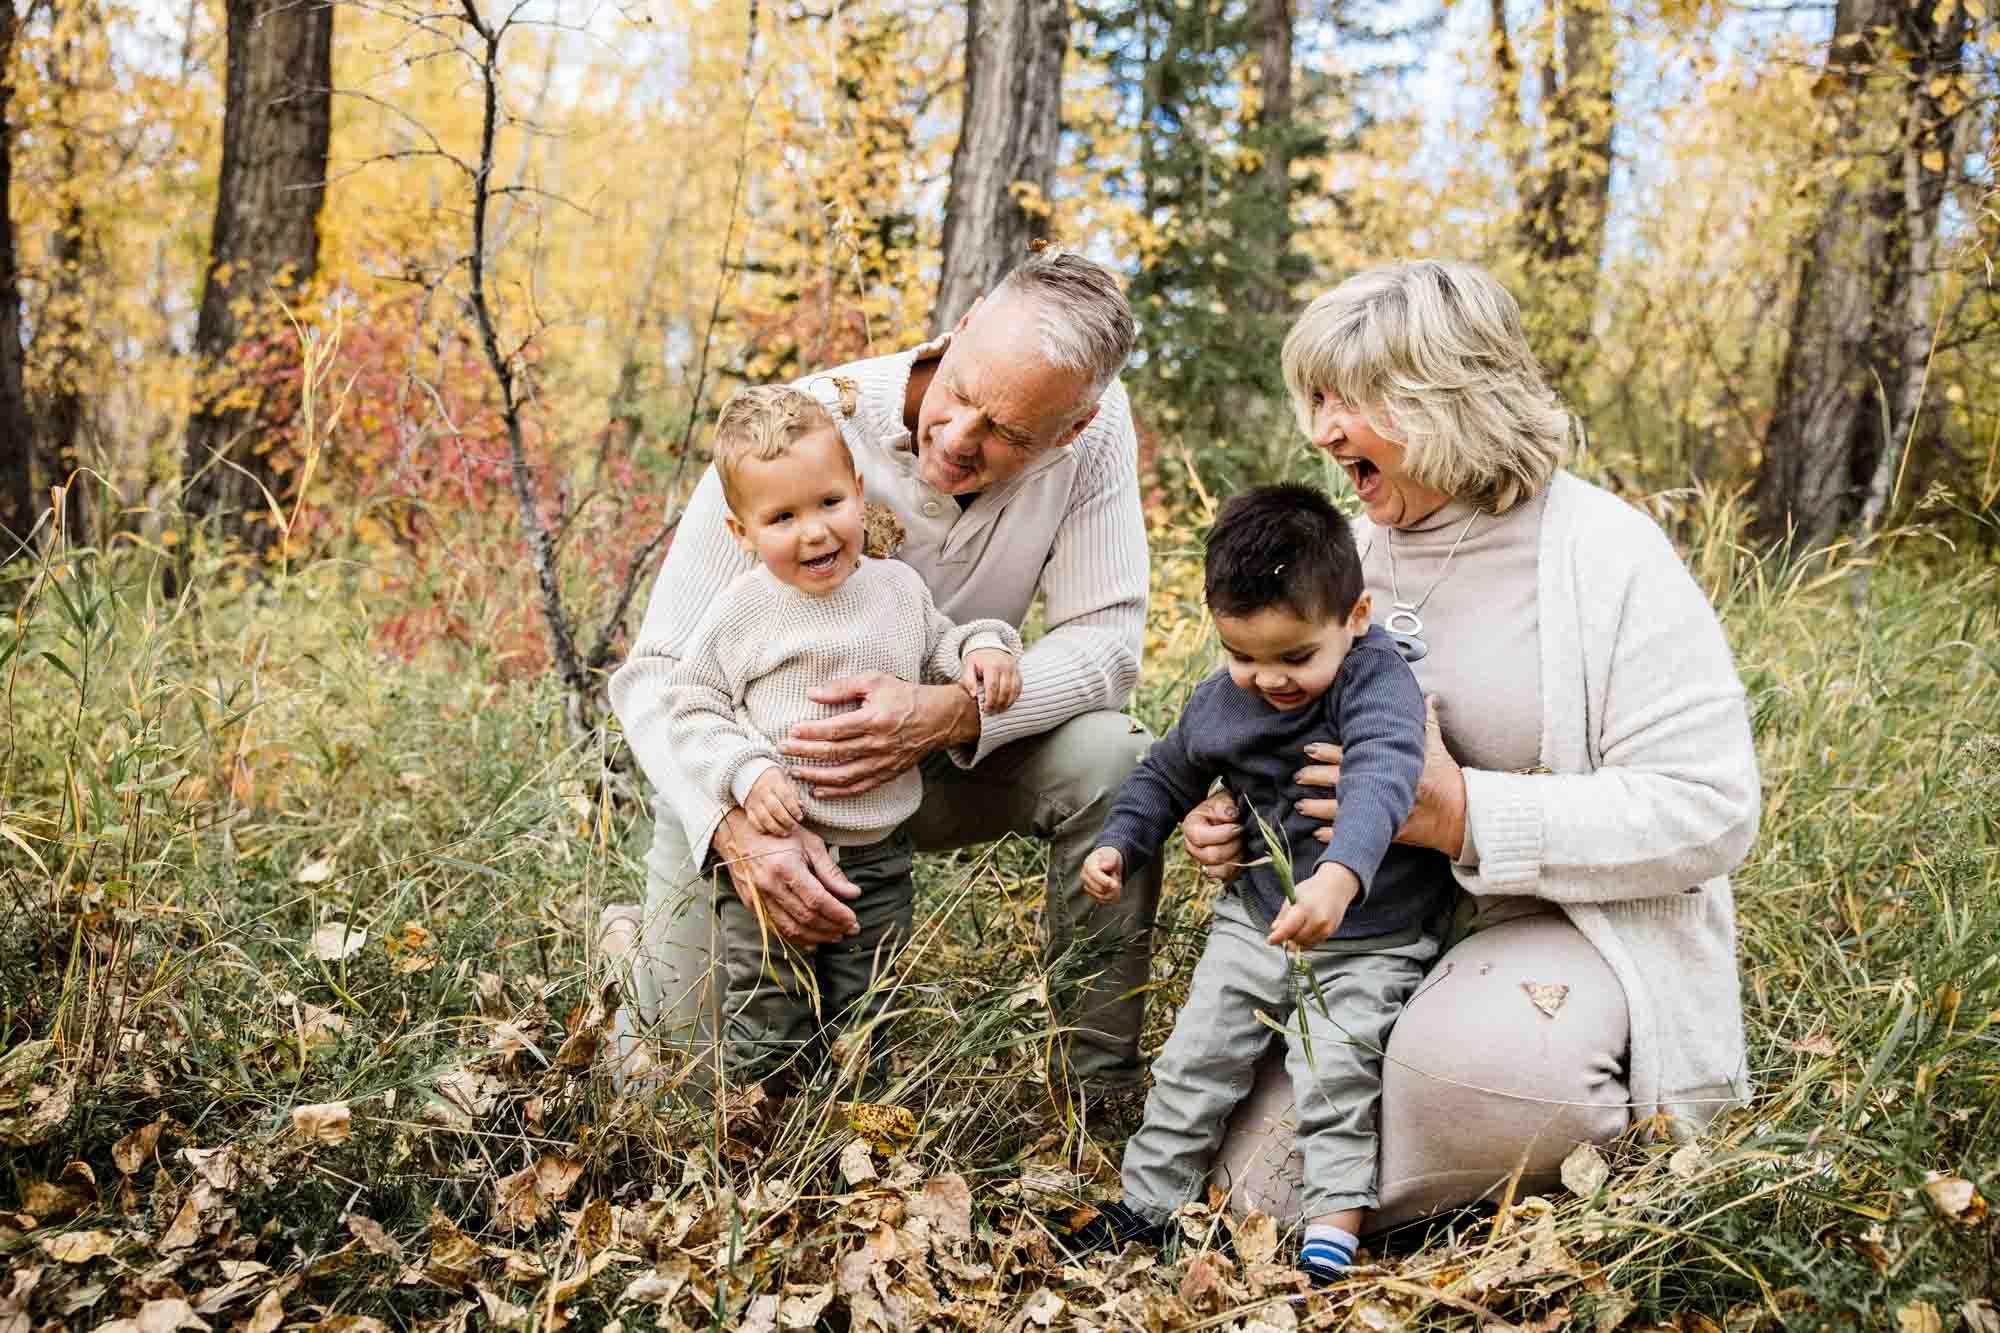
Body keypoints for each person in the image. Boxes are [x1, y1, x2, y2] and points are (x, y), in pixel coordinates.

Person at [1179, 259, 1759, 1234]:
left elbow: (1709, 808)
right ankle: (1390, 1179)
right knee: (1255, 1196)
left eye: (1349, 400)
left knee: (1469, 1073)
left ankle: (1591, 1150)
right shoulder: (1343, 555)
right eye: (1314, 398)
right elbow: (1269, 724)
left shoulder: (1603, 554)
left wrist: (1462, 813)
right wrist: (1232, 817)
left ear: (1448, 399)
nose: (1320, 430)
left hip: (1569, 930)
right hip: (1378, 934)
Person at [606, 250, 1159, 1116]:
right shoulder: (798, 433)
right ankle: (631, 948)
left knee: (1116, 758)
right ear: (964, 324)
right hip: (759, 780)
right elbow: (655, 678)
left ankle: (1099, 1095)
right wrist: (741, 826)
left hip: (936, 765)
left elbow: (1109, 644)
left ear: (1071, 427)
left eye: (1009, 433)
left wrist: (953, 711)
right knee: (683, 1098)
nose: (960, 437)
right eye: (963, 391)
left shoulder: (1097, 429)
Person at [1066, 483, 1450, 1285]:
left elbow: (1383, 772)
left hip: (1368, 931)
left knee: (1337, 1070)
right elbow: (1165, 775)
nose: (1268, 679)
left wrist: (1341, 877)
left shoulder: (1377, 684)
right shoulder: (1225, 698)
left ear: (1356, 616)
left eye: (1294, 657)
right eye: (1243, 655)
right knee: (1196, 1054)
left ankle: (1333, 1231)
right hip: (1257, 914)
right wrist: (1120, 844)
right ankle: (1148, 1200)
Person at [656, 385, 1022, 1092]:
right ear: (742, 533)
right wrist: (746, 772)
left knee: (868, 1009)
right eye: (782, 517)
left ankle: (859, 1144)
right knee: (772, 1012)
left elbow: (944, 646)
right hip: (776, 855)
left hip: (877, 858)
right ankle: (769, 1140)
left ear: (858, 490)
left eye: (829, 503)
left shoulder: (895, 590)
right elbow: (690, 704)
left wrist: (986, 649)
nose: (816, 532)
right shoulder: (744, 610)